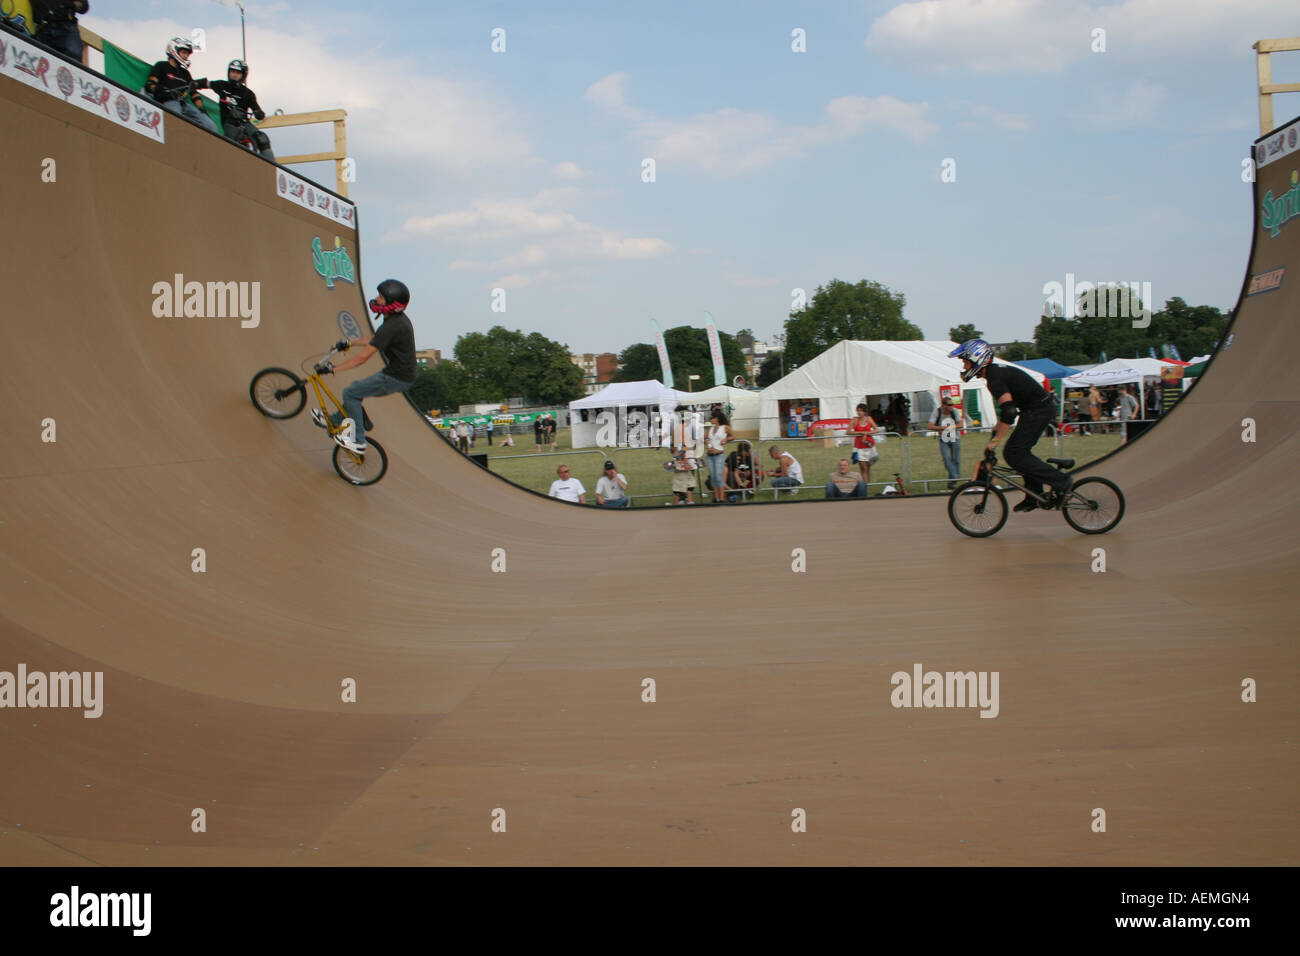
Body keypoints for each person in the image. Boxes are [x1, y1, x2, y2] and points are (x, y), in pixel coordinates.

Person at [949, 338, 1071, 512]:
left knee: (1014, 453)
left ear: (978, 360)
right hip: (1035, 409)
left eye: (966, 361)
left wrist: (996, 439)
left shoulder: (994, 378)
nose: (964, 366)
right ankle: (1033, 495)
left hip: (1039, 410)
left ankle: (1061, 481)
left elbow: (1010, 411)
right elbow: (1008, 408)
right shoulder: (994, 374)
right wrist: (997, 426)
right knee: (1018, 454)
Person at [317, 279, 417, 455]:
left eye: (381, 297)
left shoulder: (393, 326)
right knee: (356, 391)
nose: (376, 299)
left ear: (393, 305)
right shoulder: (395, 320)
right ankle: (334, 421)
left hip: (396, 378)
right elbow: (375, 337)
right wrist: (349, 343)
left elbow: (362, 359)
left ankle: (358, 440)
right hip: (399, 374)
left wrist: (333, 368)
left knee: (351, 393)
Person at [200, 59, 276, 162]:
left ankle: (272, 167)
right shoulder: (222, 85)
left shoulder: (248, 93)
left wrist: (259, 113)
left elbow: (256, 108)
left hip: (244, 123)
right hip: (229, 123)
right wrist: (194, 83)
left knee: (262, 138)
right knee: (234, 118)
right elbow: (207, 83)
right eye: (232, 72)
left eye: (238, 73)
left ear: (243, 75)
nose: (234, 75)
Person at [145, 38, 221, 135]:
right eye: (184, 52)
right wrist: (157, 89)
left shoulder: (185, 73)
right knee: (177, 119)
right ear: (173, 50)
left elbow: (193, 93)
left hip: (184, 104)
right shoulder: (161, 66)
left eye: (187, 54)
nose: (186, 56)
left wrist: (202, 110)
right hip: (168, 102)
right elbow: (150, 85)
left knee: (211, 125)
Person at [927, 395, 972, 489]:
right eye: (949, 405)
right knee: (946, 458)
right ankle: (955, 477)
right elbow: (930, 426)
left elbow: (960, 425)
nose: (952, 406)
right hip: (943, 439)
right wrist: (943, 428)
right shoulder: (937, 412)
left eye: (952, 404)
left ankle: (952, 483)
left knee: (956, 460)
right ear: (943, 405)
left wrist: (947, 428)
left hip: (955, 438)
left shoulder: (954, 411)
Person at [848, 403, 882, 486]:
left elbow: (876, 430)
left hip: (869, 446)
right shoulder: (854, 420)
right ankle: (864, 486)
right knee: (862, 467)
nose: (859, 412)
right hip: (859, 447)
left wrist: (867, 433)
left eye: (861, 411)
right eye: (858, 410)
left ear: (865, 412)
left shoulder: (869, 419)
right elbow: (848, 431)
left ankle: (867, 485)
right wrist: (859, 432)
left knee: (868, 467)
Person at [704, 410, 732, 503]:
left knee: (718, 476)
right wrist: (707, 442)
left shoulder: (725, 427)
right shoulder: (710, 429)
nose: (710, 419)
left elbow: (733, 436)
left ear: (717, 419)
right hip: (710, 455)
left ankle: (722, 497)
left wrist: (726, 439)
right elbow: (704, 438)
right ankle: (716, 497)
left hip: (719, 454)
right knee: (713, 476)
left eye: (712, 417)